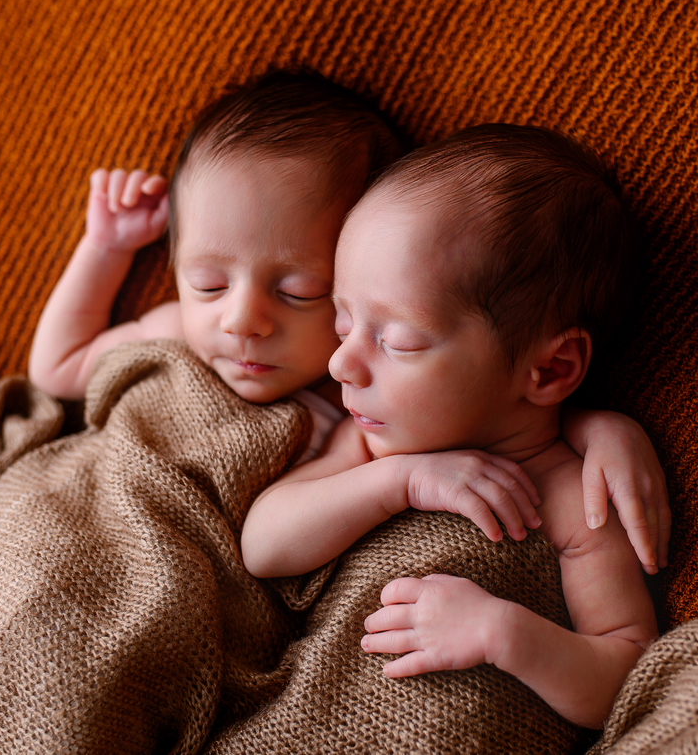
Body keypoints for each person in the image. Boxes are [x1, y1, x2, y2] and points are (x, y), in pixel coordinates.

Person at [28, 69, 669, 569]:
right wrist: (105, 250)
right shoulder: (177, 336)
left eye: (305, 293)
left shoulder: (363, 403)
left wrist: (601, 428)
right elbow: (58, 369)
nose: (243, 319)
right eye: (209, 282)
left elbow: (500, 399)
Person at [240, 124, 657, 729]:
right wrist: (401, 483)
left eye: (399, 342)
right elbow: (263, 547)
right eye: (342, 323)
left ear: (551, 369)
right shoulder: (372, 444)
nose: (339, 365)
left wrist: (502, 633)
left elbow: (628, 675)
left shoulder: (575, 497)